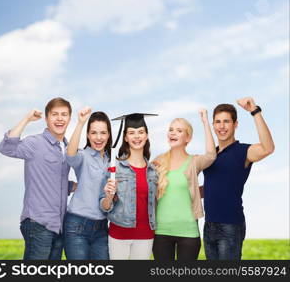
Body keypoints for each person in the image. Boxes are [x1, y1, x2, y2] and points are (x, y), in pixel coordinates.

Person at [0, 97, 73, 260]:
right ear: (46, 119)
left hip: (59, 226)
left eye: (64, 114)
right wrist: (26, 119)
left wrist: (75, 186)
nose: (60, 118)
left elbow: (54, 182)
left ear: (69, 118)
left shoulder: (67, 148)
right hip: (38, 224)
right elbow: (6, 148)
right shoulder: (35, 143)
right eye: (55, 114)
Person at [203, 97, 275, 260]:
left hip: (230, 226)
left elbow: (268, 148)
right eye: (218, 122)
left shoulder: (243, 151)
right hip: (209, 226)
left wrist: (254, 111)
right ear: (213, 125)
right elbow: (211, 188)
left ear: (235, 124)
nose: (221, 126)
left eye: (226, 121)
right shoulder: (211, 155)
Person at [152, 109, 216, 261]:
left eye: (179, 130)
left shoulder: (194, 162)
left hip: (188, 232)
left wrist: (206, 122)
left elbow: (211, 155)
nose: (173, 133)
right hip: (161, 232)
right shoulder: (157, 162)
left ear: (188, 137)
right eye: (171, 130)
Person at [100, 113, 158, 260]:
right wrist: (109, 196)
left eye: (141, 132)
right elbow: (104, 207)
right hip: (119, 234)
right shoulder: (115, 168)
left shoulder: (153, 171)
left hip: (145, 235)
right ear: (125, 137)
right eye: (131, 133)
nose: (137, 137)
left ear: (146, 135)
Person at [63, 107, 112, 260]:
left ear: (109, 134)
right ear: (88, 135)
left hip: (102, 228)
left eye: (103, 133)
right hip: (77, 225)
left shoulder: (113, 160)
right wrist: (80, 123)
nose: (98, 137)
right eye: (94, 132)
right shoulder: (83, 156)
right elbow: (70, 155)